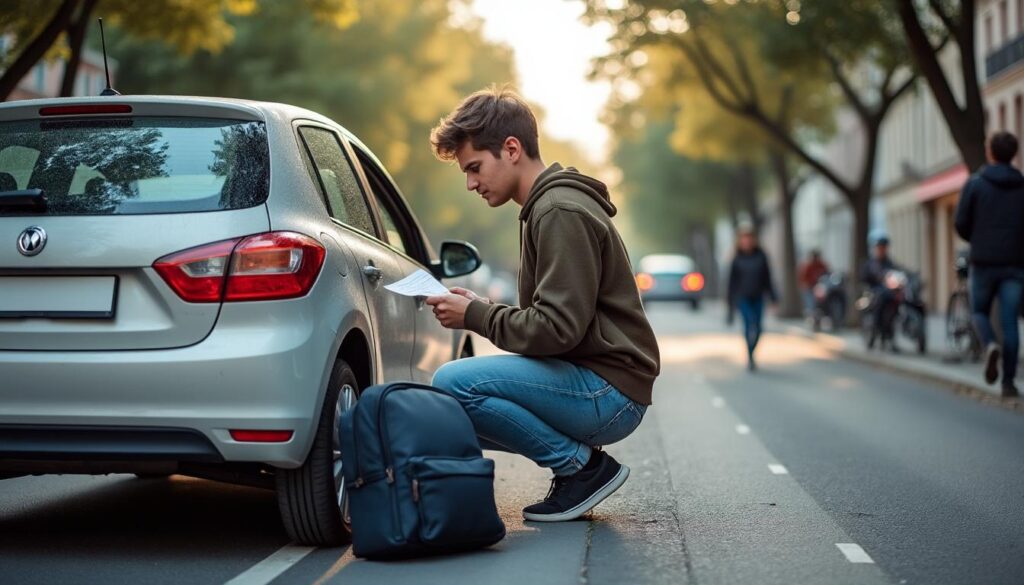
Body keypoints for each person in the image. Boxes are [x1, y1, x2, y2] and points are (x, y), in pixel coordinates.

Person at [424, 87, 661, 522]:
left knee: (453, 385)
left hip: (609, 392)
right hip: (600, 382)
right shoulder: (547, 206)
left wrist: (475, 316)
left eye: (475, 167)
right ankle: (578, 468)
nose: (471, 183)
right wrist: (481, 305)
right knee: (441, 408)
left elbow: (557, 329)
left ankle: (582, 469)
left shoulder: (557, 210)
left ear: (511, 149)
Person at [954, 131, 1024, 397]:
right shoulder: (1022, 184)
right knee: (1010, 322)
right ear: (1013, 154)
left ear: (990, 153)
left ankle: (989, 344)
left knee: (979, 311)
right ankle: (1008, 383)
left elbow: (960, 222)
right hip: (1015, 265)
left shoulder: (975, 184)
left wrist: (978, 237)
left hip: (983, 262)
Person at [726, 226, 777, 371]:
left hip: (758, 297)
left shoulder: (761, 256)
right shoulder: (736, 259)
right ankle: (750, 357)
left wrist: (773, 297)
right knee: (749, 324)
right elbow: (731, 283)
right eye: (744, 239)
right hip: (743, 298)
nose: (747, 242)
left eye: (749, 239)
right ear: (740, 241)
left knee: (759, 327)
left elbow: (768, 278)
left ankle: (752, 352)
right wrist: (730, 306)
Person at [860, 236, 900, 352]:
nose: (882, 250)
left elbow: (895, 272)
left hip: (888, 292)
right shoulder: (870, 263)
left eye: (884, 248)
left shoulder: (889, 262)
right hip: (875, 292)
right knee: (879, 302)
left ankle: (889, 335)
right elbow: (864, 278)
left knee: (894, 305)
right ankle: (876, 329)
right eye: (880, 247)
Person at [798, 249, 829, 317]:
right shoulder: (808, 266)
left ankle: (821, 312)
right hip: (810, 287)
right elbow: (803, 278)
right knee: (810, 301)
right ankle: (811, 313)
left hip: (820, 287)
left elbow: (827, 274)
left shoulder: (822, 265)